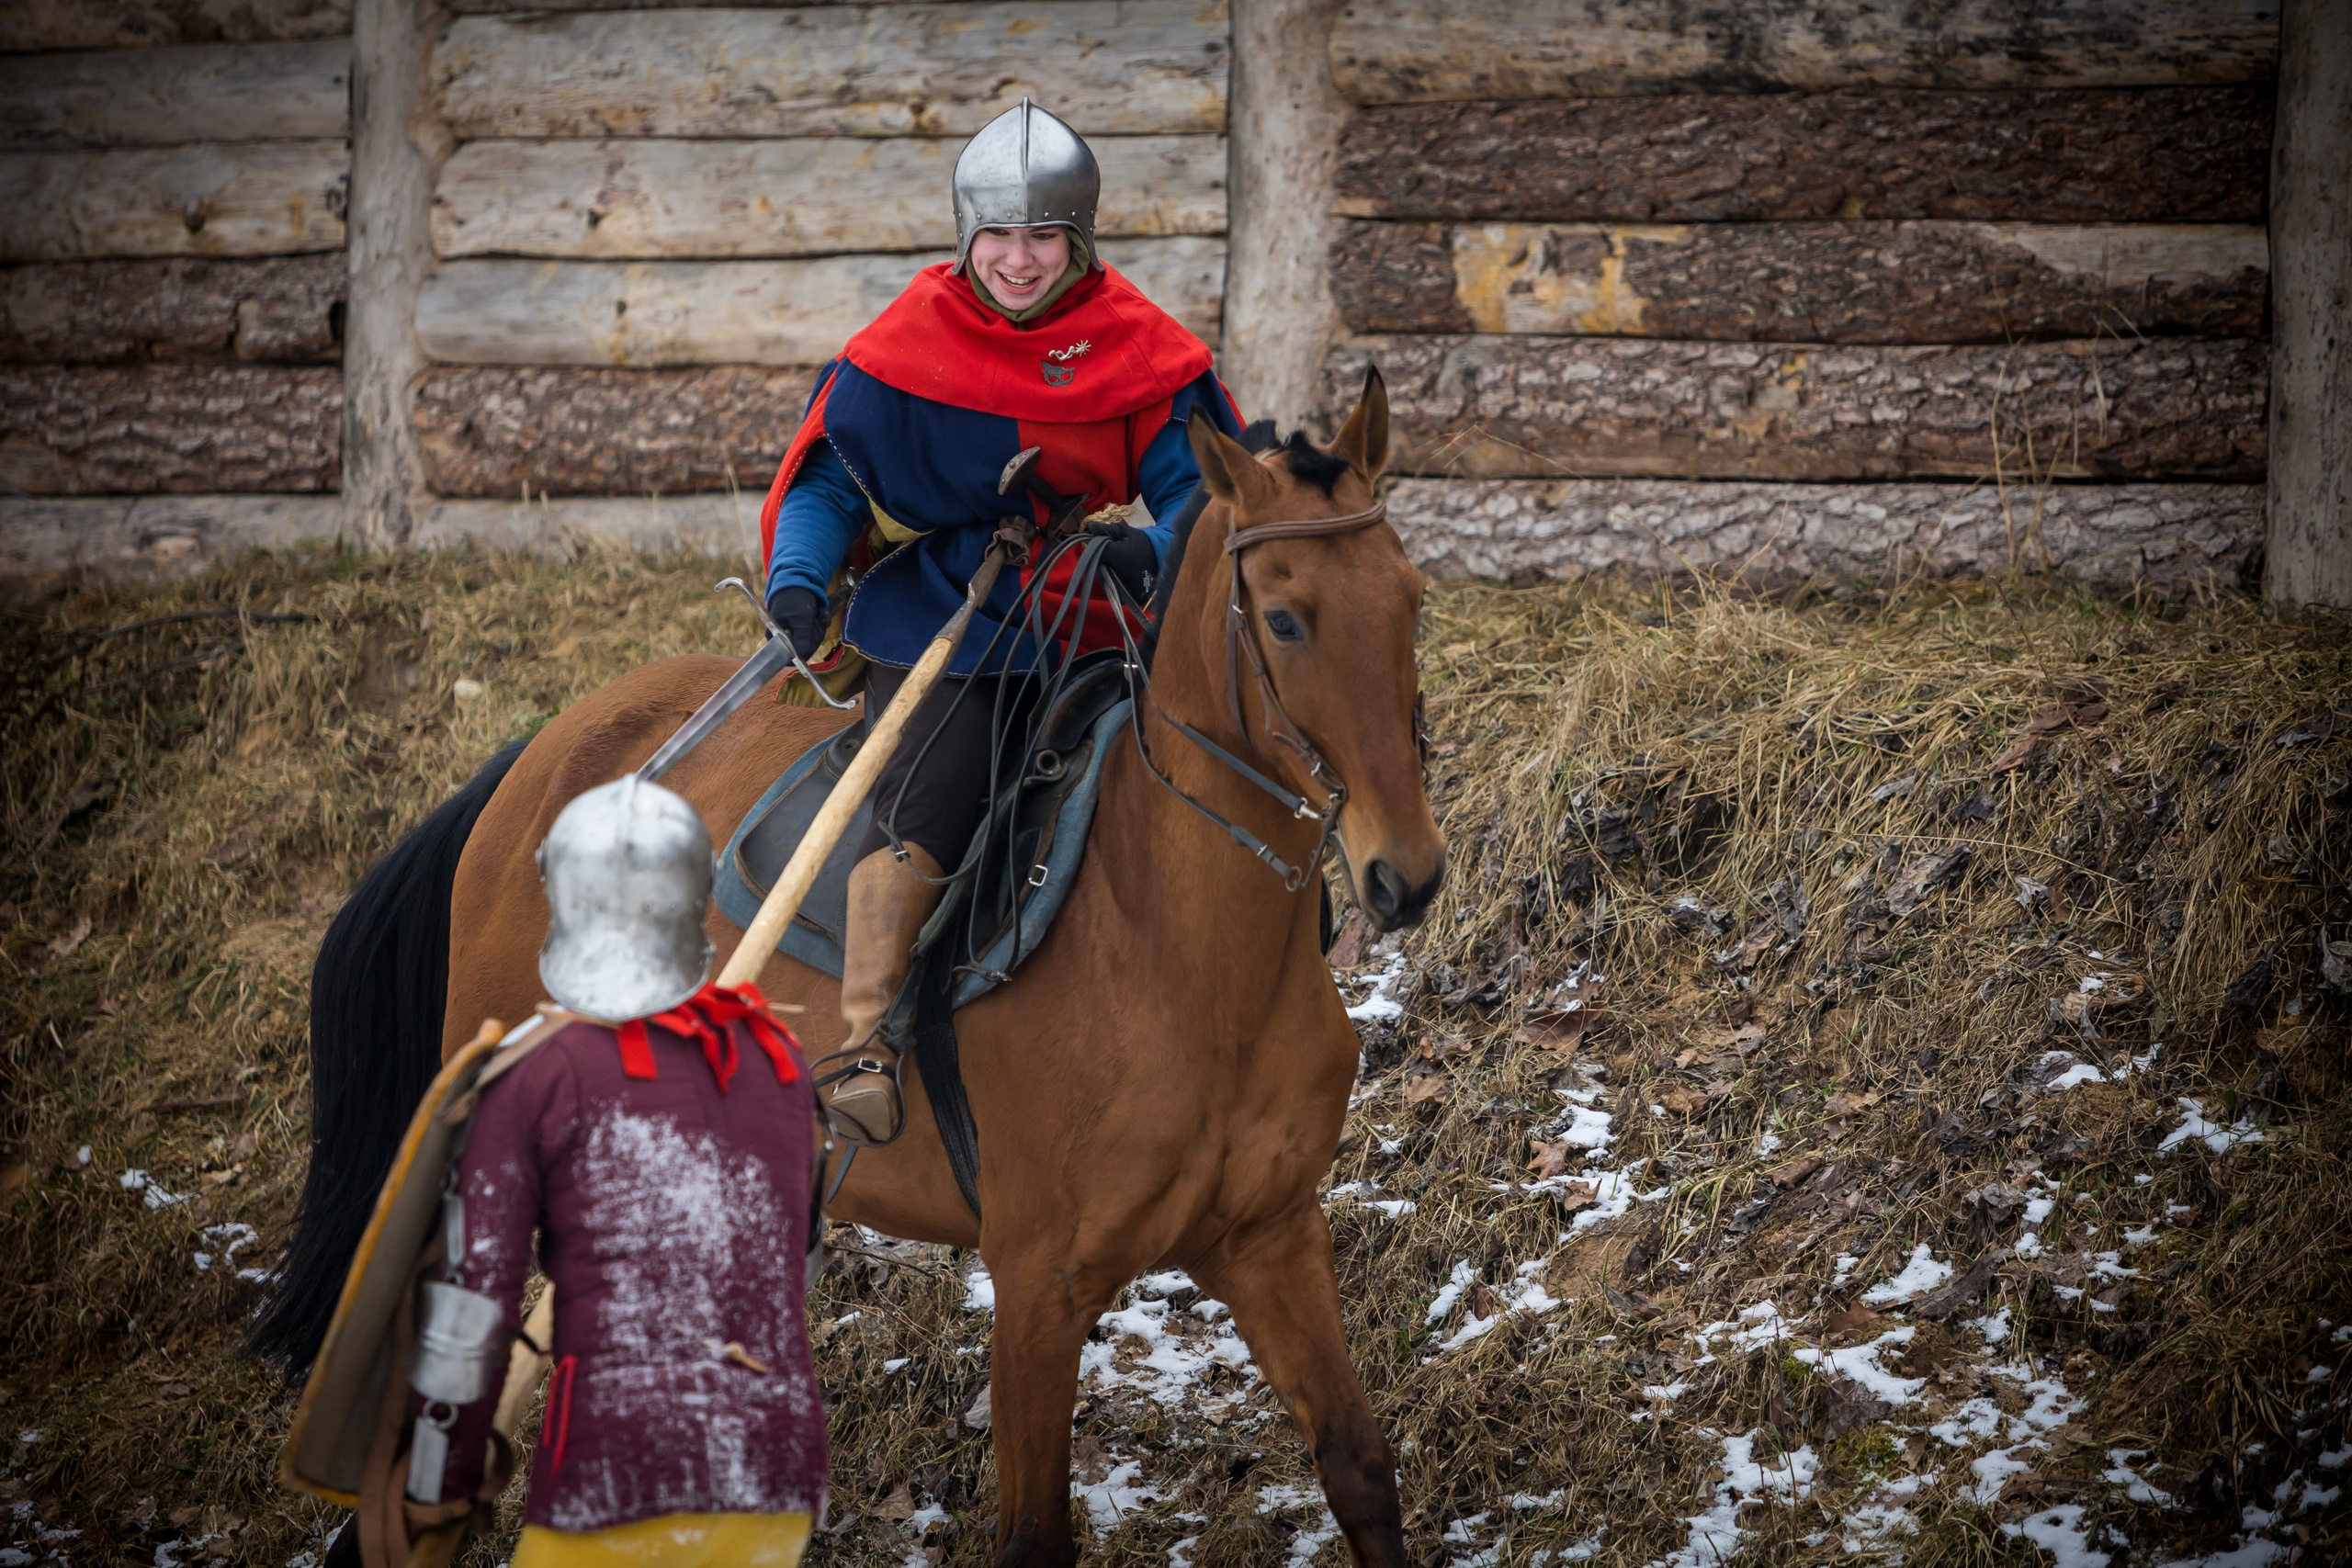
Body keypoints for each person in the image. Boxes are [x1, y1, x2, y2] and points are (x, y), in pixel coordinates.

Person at [756, 98, 1244, 1143]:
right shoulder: (901, 348)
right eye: (999, 237)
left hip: (1098, 604)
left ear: (1080, 238)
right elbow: (832, 483)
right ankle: (864, 1041)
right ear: (964, 234)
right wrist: (800, 574)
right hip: (952, 611)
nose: (1018, 261)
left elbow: (1208, 493)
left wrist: (1152, 553)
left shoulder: (1139, 350)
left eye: (1041, 237)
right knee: (934, 789)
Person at [396, 777, 828, 1568]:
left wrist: (434, 1484)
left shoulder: (536, 1076)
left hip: (611, 1482)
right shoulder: (781, 1061)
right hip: (776, 1476)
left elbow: (471, 1309)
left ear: (567, 901)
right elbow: (793, 1265)